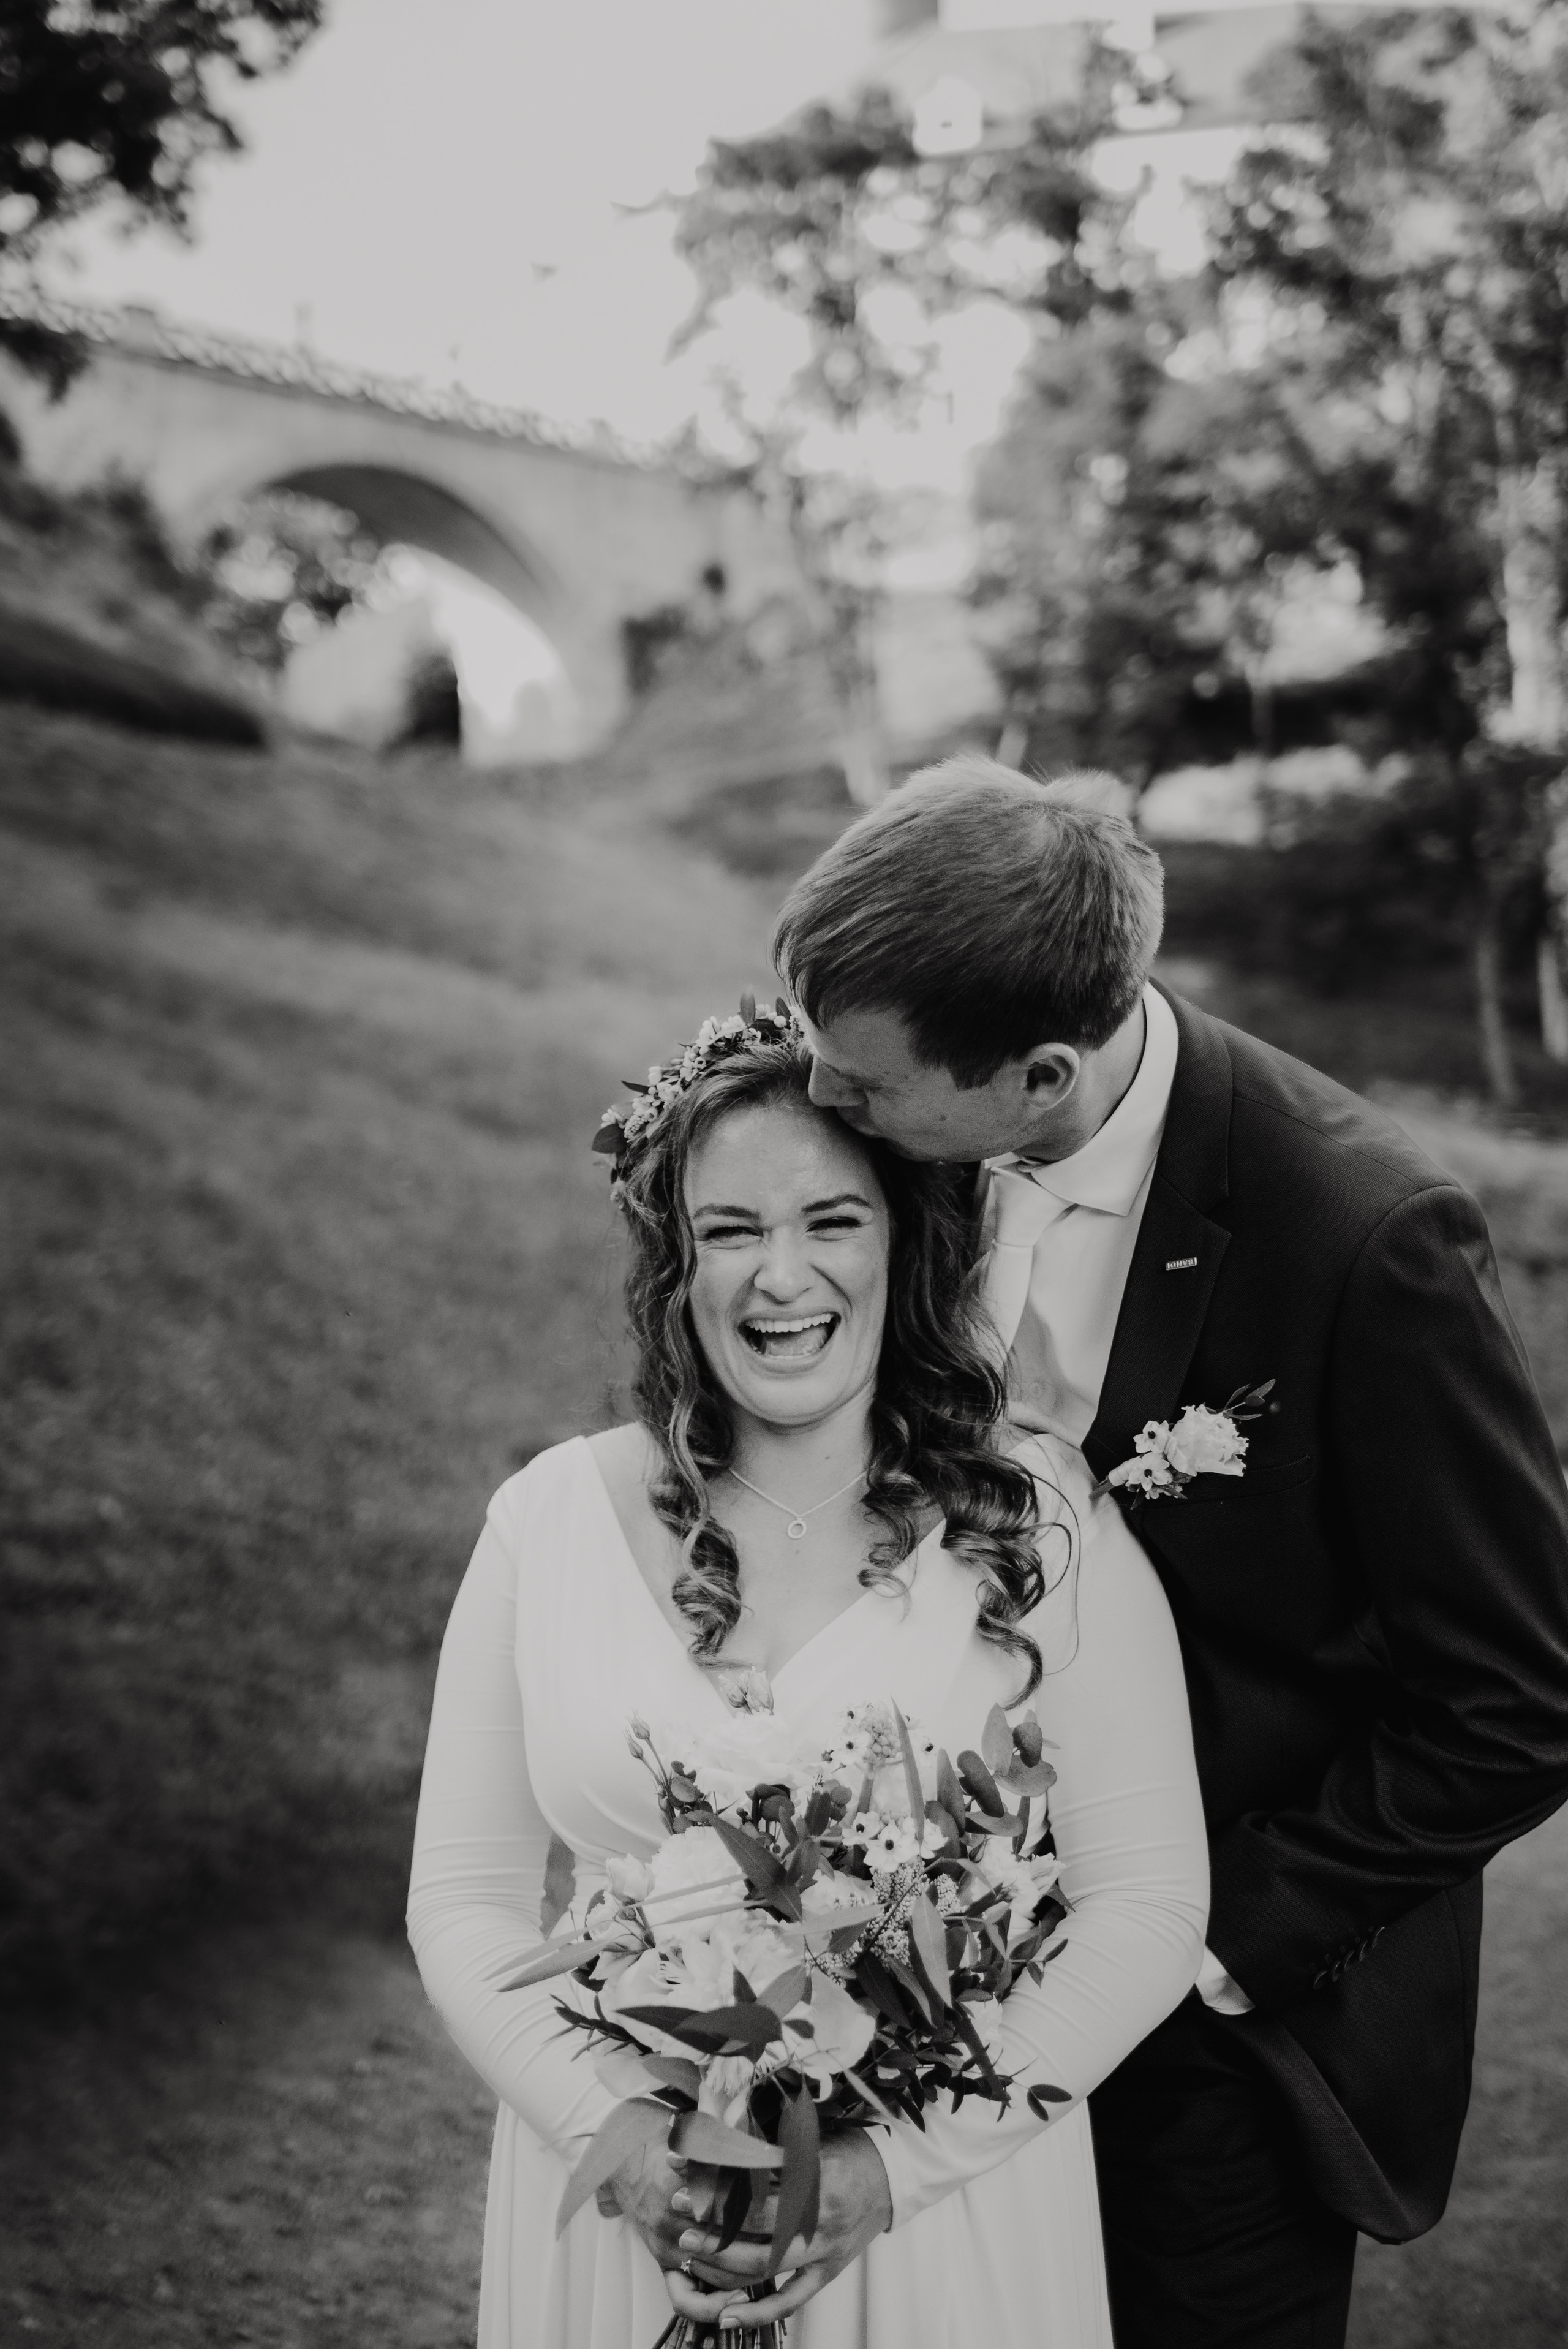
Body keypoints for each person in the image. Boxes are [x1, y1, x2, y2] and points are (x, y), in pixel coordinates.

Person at [757, 753, 1568, 2349]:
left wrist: (1219, 1941)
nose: (819, 1104)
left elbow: (1527, 1693)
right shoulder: (911, 1155)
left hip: (1209, 2051)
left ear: (1040, 1073)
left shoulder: (1367, 1240)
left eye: (860, 1083)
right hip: (911, 1977)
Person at [408, 1010, 1209, 2347]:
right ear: (675, 1266)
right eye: (729, 1231)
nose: (779, 1278)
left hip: (940, 2223)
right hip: (624, 2208)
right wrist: (623, 2139)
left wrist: (887, 2173)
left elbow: (1146, 1903)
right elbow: (465, 1904)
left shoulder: (1038, 1520)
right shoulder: (546, 1519)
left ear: (906, 1241)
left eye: (830, 1221)